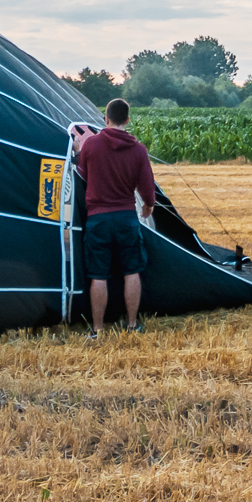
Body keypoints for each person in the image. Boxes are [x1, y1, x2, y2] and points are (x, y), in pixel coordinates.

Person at [70, 98, 159, 336]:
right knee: (132, 271)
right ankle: (132, 325)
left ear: (105, 119)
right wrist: (148, 207)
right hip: (126, 218)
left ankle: (97, 330)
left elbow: (81, 175)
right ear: (127, 120)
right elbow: (148, 189)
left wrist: (78, 154)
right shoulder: (139, 150)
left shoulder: (91, 146)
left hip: (98, 219)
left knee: (98, 275)